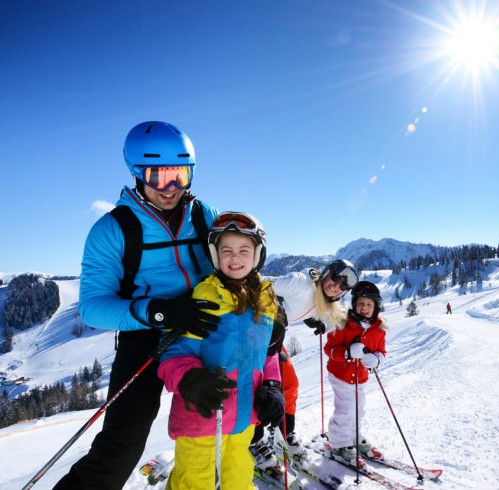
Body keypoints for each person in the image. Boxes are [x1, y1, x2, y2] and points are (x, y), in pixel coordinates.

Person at [54, 121, 220, 490]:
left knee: (244, 388)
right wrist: (156, 311)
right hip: (144, 333)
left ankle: (251, 451)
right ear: (136, 173)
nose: (171, 187)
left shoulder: (202, 214)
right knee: (124, 440)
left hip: (202, 321)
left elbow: (232, 262)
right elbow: (92, 307)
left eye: (179, 174)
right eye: (158, 177)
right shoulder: (113, 230)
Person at [158, 211, 284, 489]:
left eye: (243, 250)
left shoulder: (266, 301)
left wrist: (273, 385)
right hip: (202, 420)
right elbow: (173, 354)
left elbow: (269, 354)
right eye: (226, 250)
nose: (235, 257)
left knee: (239, 483)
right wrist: (191, 380)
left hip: (244, 423)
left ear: (258, 254)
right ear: (215, 255)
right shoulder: (205, 297)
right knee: (194, 485)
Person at [249, 259, 359, 469]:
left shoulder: (324, 300)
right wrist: (272, 308)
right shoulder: (300, 283)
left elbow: (301, 307)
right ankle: (253, 441)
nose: (336, 285)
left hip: (273, 341)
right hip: (253, 337)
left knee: (290, 386)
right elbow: (258, 282)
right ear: (327, 273)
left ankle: (285, 432)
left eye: (343, 285)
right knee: (257, 392)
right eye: (336, 277)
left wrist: (309, 319)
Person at [323, 280, 387, 465]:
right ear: (354, 306)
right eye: (360, 304)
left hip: (361, 377)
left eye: (369, 304)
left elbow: (382, 351)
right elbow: (330, 349)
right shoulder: (344, 325)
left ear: (376, 307)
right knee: (346, 409)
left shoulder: (379, 330)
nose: (364, 308)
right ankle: (338, 443)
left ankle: (353, 435)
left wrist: (377, 359)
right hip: (341, 375)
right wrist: (348, 353)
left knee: (359, 408)